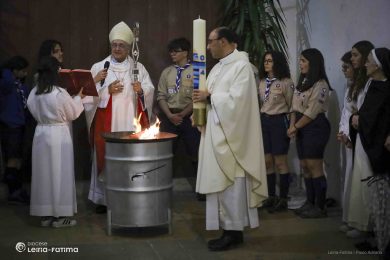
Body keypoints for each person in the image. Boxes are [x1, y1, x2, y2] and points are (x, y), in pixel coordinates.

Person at [193, 27, 267, 251]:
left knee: (232, 183)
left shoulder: (242, 66)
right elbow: (209, 97)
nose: (208, 46)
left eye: (211, 41)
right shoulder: (218, 68)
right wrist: (199, 114)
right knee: (220, 184)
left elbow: (239, 102)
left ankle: (234, 232)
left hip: (232, 139)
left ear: (223, 41)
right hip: (216, 133)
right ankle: (226, 228)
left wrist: (210, 96)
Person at [84, 21, 154, 213]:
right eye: (114, 45)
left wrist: (141, 91)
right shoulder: (99, 67)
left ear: (128, 47)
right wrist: (107, 90)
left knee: (128, 159)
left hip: (130, 122)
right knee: (106, 155)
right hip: (107, 124)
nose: (117, 48)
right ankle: (103, 200)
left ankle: (127, 198)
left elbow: (149, 90)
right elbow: (87, 96)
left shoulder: (138, 66)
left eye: (121, 45)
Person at [27, 56, 84, 227]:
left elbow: (30, 107)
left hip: (41, 133)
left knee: (43, 175)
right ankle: (60, 217)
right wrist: (79, 97)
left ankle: (45, 216)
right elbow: (73, 112)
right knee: (60, 174)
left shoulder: (35, 91)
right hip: (58, 133)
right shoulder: (58, 93)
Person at [351, 48, 390, 254]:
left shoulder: (386, 87)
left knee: (382, 198)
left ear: (378, 65)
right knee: (372, 196)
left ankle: (383, 242)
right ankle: (376, 237)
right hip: (367, 144)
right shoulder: (371, 85)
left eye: (368, 61)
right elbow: (365, 113)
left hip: (380, 150)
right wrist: (354, 120)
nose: (365, 64)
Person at [287, 48, 331, 219]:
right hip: (300, 125)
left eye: (304, 60)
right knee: (305, 166)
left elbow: (312, 112)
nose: (301, 63)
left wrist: (295, 127)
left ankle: (320, 207)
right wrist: (293, 126)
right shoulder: (303, 81)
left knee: (315, 167)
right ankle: (310, 202)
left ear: (313, 63)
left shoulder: (321, 85)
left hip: (315, 127)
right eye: (300, 60)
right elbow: (294, 107)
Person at [157, 37, 202, 200]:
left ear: (185, 52)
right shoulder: (167, 72)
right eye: (171, 51)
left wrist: (183, 114)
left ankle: (201, 189)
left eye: (175, 51)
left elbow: (198, 97)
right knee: (166, 154)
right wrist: (169, 115)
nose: (172, 54)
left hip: (190, 117)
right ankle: (162, 189)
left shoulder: (196, 71)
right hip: (169, 118)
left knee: (196, 152)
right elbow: (161, 96)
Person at [258, 50, 294, 213]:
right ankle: (271, 196)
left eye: (270, 61)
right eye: (265, 60)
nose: (266, 63)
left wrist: (292, 126)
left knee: (280, 162)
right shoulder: (262, 81)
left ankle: (283, 198)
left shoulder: (286, 82)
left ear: (277, 62)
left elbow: (292, 107)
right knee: (267, 162)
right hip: (264, 121)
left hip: (279, 121)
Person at [345, 40, 374, 239]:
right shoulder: (361, 81)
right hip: (359, 134)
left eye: (355, 55)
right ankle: (361, 223)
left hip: (369, 136)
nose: (352, 59)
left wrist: (358, 115)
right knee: (357, 178)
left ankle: (370, 226)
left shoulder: (372, 81)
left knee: (367, 179)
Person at [0, 56, 30, 204]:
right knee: (12, 159)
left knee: (18, 159)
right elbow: (6, 80)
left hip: (20, 124)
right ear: (14, 71)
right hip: (9, 125)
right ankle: (13, 192)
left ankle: (18, 190)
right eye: (22, 71)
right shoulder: (6, 80)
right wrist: (8, 73)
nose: (26, 74)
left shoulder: (20, 84)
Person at [337, 51, 356, 233]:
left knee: (354, 179)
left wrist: (349, 135)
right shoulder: (349, 86)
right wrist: (342, 131)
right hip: (347, 138)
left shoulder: (360, 87)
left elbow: (357, 115)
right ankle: (349, 218)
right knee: (347, 178)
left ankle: (356, 221)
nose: (343, 70)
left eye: (346, 66)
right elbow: (346, 113)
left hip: (355, 140)